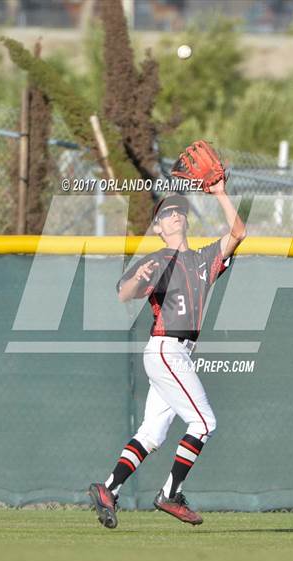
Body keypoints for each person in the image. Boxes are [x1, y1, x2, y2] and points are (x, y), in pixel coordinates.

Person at [89, 179, 246, 528]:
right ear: (158, 228)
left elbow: (238, 232)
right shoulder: (157, 260)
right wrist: (135, 280)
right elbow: (123, 293)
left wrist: (219, 192)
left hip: (177, 355)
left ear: (185, 221)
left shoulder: (205, 258)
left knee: (152, 433)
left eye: (179, 212)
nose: (175, 216)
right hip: (165, 349)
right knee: (204, 423)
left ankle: (109, 489)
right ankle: (170, 493)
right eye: (166, 214)